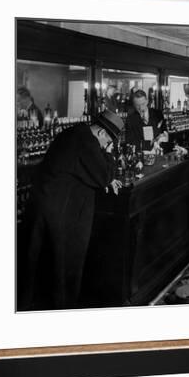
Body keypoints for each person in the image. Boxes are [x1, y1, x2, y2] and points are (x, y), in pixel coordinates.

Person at [19, 110, 124, 310]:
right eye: (107, 142)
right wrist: (109, 155)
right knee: (63, 262)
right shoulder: (87, 141)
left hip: (48, 206)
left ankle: (44, 305)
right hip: (59, 211)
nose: (105, 146)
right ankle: (61, 308)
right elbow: (103, 175)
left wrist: (106, 175)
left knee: (42, 263)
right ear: (102, 134)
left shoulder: (76, 133)